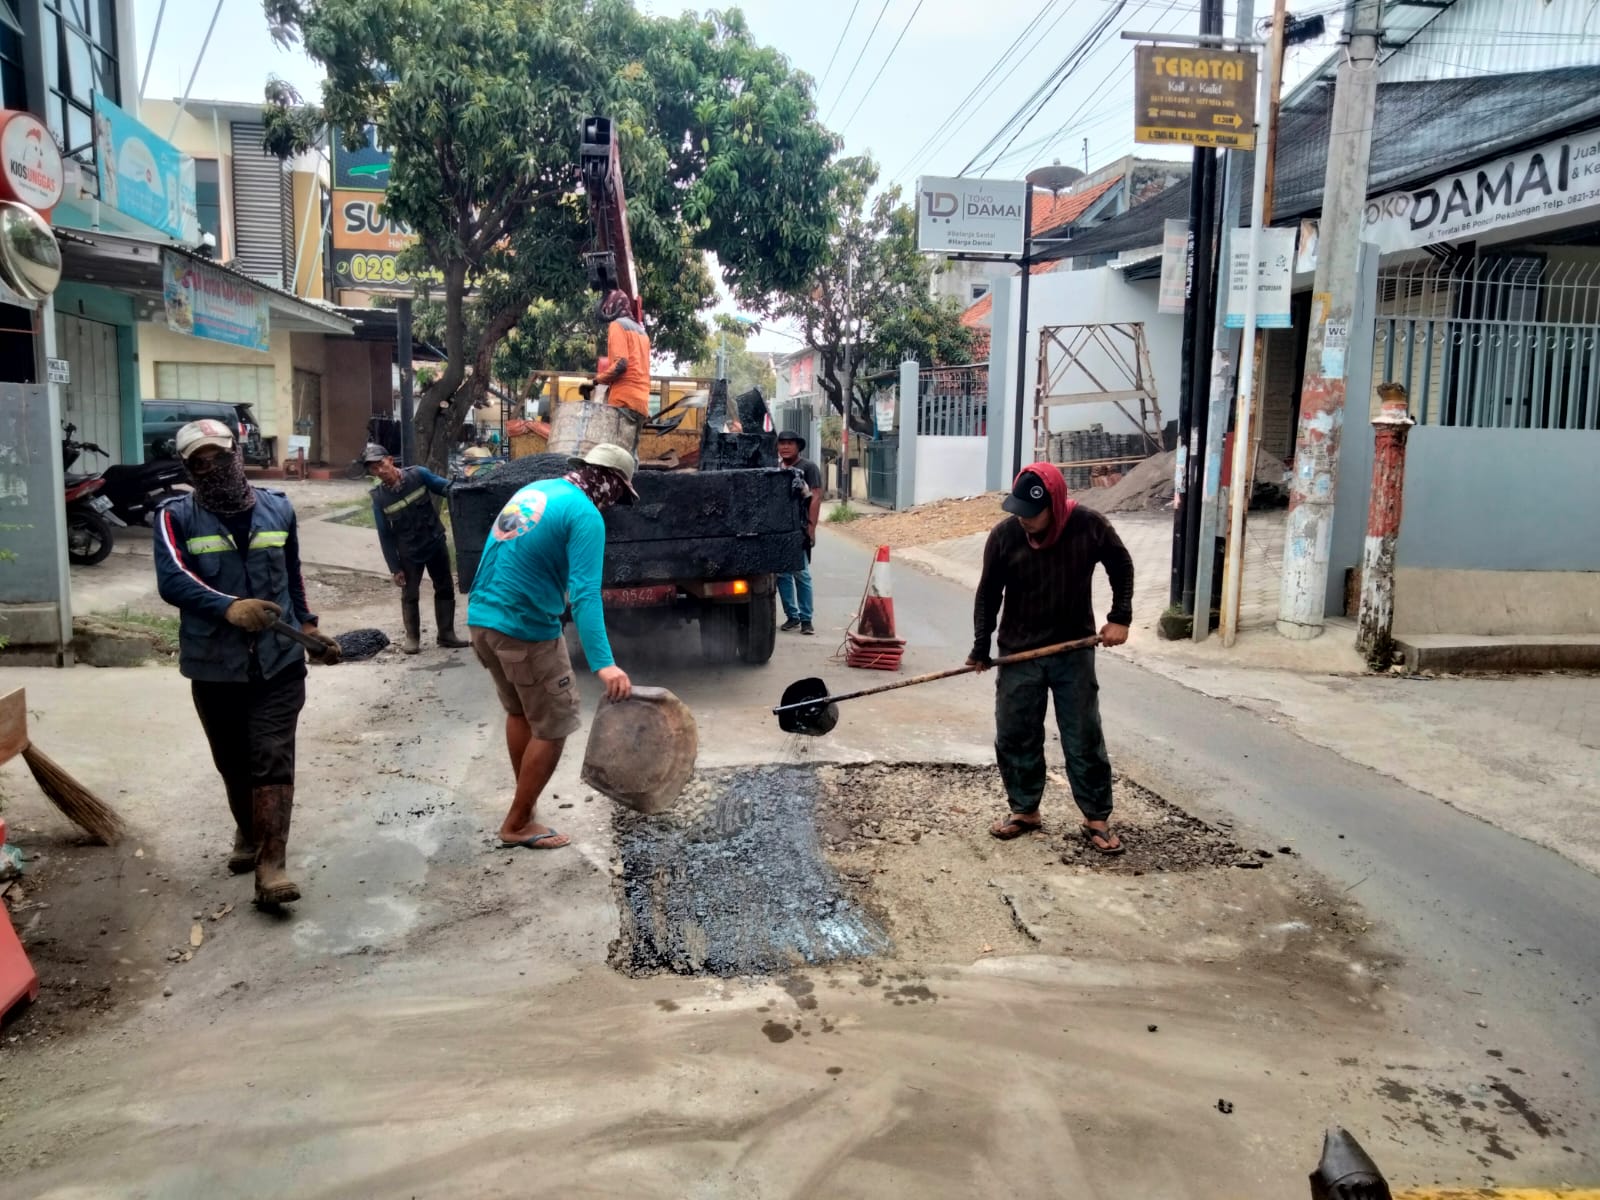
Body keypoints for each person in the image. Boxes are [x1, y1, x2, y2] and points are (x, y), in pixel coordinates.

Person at [154, 419, 341, 907]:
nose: (213, 467)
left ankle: (272, 865)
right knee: (233, 762)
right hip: (214, 665)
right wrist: (228, 607)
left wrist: (309, 626)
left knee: (272, 754)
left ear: (238, 454)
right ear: (188, 469)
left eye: (220, 455)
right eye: (200, 462)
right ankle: (248, 831)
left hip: (278, 663)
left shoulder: (279, 509)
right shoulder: (175, 516)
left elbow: (292, 574)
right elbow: (172, 579)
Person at [467, 443, 637, 850]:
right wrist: (605, 664)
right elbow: (585, 595)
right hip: (524, 630)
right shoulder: (585, 514)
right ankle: (518, 822)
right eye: (617, 493)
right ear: (609, 482)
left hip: (482, 621)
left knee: (520, 713)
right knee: (556, 724)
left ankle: (525, 803)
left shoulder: (538, 491)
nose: (614, 503)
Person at [968, 462, 1133, 854]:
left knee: (1082, 734)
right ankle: (1024, 810)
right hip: (1018, 652)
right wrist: (980, 646)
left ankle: (1096, 818)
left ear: (1054, 504)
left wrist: (1120, 617)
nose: (1024, 520)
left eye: (1032, 513)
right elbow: (988, 594)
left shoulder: (1089, 525)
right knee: (1015, 733)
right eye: (1018, 511)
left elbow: (1121, 565)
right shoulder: (1005, 536)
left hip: (1073, 650)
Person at [363, 444, 468, 655]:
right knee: (410, 594)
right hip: (409, 553)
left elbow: (445, 487)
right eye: (374, 469)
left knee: (445, 587)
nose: (380, 471)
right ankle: (412, 638)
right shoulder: (379, 498)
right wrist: (395, 567)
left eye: (381, 464)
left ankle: (446, 634)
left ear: (390, 460)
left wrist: (467, 494)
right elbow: (385, 535)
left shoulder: (419, 475)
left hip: (434, 543)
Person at [776, 429, 821, 635]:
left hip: (799, 527)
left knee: (801, 574)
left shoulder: (808, 467)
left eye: (790, 443)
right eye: (782, 443)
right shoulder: (775, 468)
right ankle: (791, 616)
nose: (785, 446)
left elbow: (816, 497)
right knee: (782, 574)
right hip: (778, 529)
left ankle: (806, 619)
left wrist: (811, 527)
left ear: (797, 446)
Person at [592, 289, 651, 416]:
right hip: (641, 403)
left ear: (613, 307)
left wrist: (598, 380)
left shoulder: (617, 325)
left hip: (623, 401)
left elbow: (621, 364)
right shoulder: (643, 334)